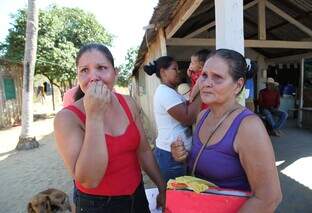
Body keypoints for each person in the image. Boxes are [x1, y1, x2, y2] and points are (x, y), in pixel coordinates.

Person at [54, 43, 166, 213]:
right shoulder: (66, 119)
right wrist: (94, 116)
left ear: (115, 72)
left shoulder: (128, 103)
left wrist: (161, 186)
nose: (93, 77)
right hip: (97, 205)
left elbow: (143, 151)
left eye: (101, 68)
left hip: (137, 195)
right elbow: (88, 180)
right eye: (84, 70)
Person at [171, 49, 282, 212]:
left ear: (237, 85)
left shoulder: (248, 126)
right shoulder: (202, 116)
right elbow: (208, 163)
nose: (206, 83)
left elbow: (269, 198)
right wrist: (182, 156)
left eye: (218, 77)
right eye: (204, 75)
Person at [143, 56, 201, 183]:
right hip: (170, 155)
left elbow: (188, 106)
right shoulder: (165, 93)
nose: (178, 72)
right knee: (173, 195)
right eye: (174, 69)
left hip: (177, 153)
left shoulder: (171, 91)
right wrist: (202, 91)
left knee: (180, 193)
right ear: (163, 72)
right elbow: (187, 118)